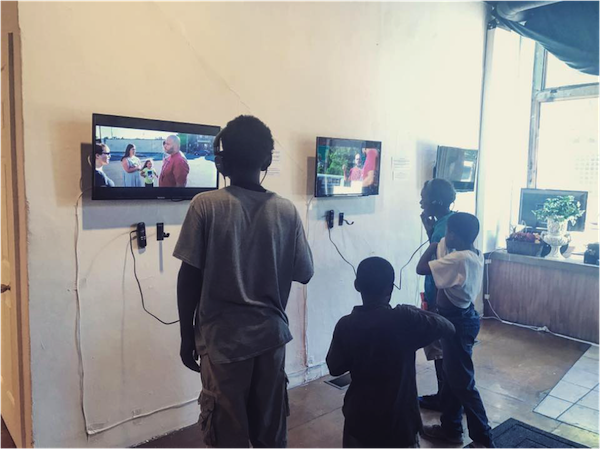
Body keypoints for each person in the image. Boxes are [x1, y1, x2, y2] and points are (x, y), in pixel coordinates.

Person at [174, 115, 314, 449]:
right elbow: (304, 272)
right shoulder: (286, 211)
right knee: (270, 432)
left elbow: (188, 278)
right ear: (267, 160)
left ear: (221, 160)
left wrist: (185, 336)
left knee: (227, 435)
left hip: (222, 345)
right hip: (271, 339)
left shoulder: (205, 206)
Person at [326, 257, 455, 449]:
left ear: (356, 285)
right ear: (390, 288)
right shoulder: (403, 320)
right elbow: (448, 327)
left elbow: (335, 367)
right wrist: (411, 310)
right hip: (400, 424)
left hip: (360, 422)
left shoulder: (346, 325)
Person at [417, 213, 495, 449]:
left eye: (447, 232)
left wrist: (432, 245)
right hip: (462, 319)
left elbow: (422, 268)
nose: (445, 237)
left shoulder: (458, 259)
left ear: (453, 235)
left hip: (456, 324)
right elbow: (446, 258)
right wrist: (437, 238)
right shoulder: (473, 254)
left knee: (463, 384)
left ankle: (483, 439)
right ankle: (451, 430)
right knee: (452, 379)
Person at [418, 178, 456, 411]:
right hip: (444, 295)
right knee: (443, 349)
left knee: (440, 349)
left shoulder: (443, 228)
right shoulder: (448, 223)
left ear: (435, 201)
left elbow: (434, 261)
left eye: (423, 197)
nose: (420, 201)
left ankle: (445, 398)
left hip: (439, 297)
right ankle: (445, 395)